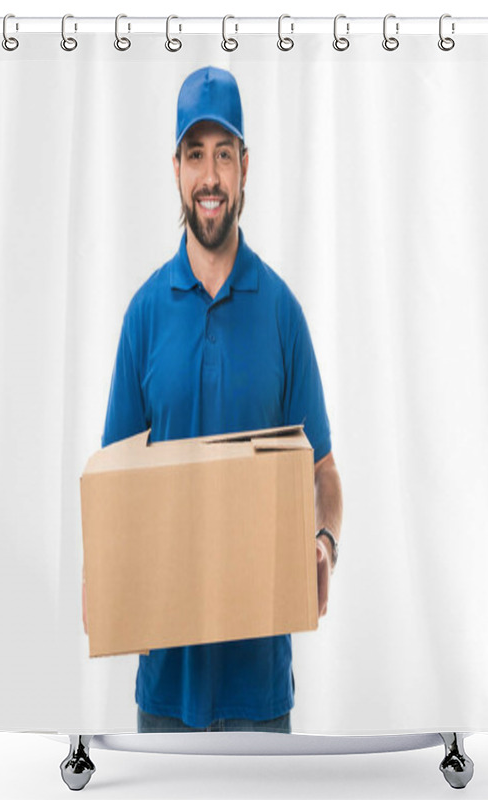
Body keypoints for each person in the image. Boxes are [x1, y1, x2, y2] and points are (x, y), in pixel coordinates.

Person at [82, 66, 343, 734]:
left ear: (245, 167)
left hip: (260, 686)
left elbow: (324, 475)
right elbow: (114, 479)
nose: (209, 176)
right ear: (175, 168)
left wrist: (323, 541)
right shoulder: (145, 315)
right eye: (195, 155)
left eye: (223, 155)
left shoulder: (282, 311)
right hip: (166, 683)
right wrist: (98, 570)